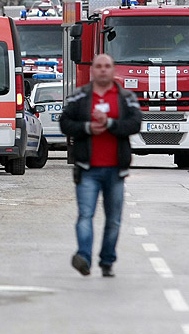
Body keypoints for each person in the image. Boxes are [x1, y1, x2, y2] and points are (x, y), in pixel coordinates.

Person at [59, 54, 141, 278]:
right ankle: (84, 257)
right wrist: (87, 127)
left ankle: (107, 261)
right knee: (85, 215)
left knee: (113, 220)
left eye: (107, 66)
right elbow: (64, 123)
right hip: (88, 169)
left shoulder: (125, 97)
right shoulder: (80, 97)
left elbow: (135, 123)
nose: (103, 70)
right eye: (99, 66)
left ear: (113, 70)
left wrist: (110, 124)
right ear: (92, 70)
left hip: (116, 169)